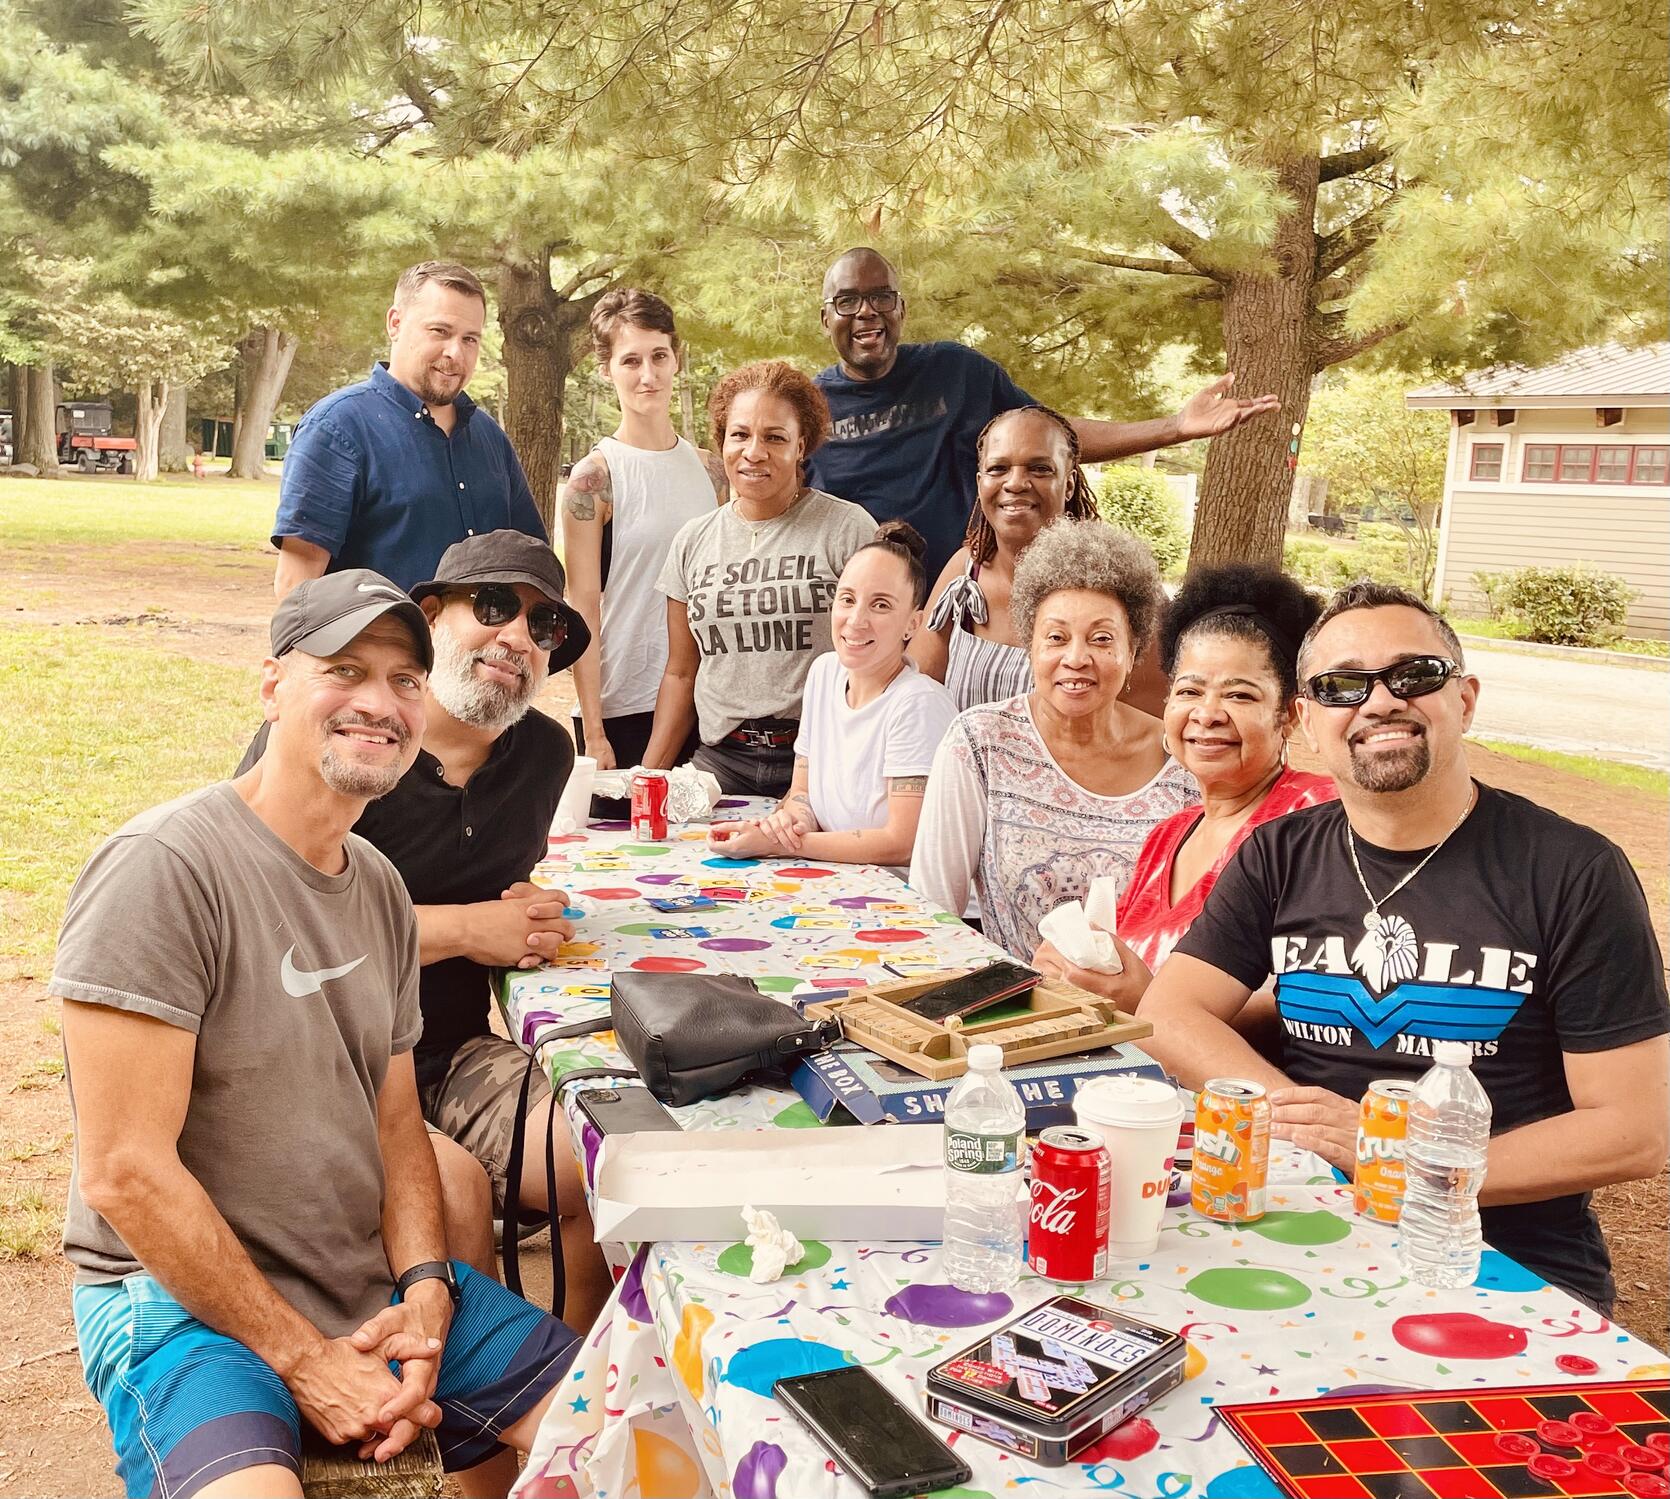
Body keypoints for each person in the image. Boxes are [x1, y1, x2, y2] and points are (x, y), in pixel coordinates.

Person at [55, 571, 579, 1499]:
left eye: (406, 681)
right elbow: (123, 1170)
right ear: (272, 687)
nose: (380, 702)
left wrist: (424, 1286)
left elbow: (394, 1128)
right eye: (345, 670)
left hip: (358, 1280)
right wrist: (305, 1359)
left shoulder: (376, 885)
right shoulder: (164, 869)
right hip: (177, 1303)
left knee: (637, 1433)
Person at [1140, 581, 1669, 1311]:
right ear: (1308, 719)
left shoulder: (1572, 870)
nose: (1379, 700)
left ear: (1465, 699)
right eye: (1342, 685)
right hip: (1302, 1225)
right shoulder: (1279, 854)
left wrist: (1395, 1154)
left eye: (1414, 675)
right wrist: (1312, 1123)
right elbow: (1170, 1014)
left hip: (1500, 1255)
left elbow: (1633, 1131)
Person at [236, 531, 606, 1326]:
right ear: (432, 615)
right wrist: (472, 929)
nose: (518, 638)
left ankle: (576, 1377)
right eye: (497, 606)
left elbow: (494, 885)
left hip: (448, 1048)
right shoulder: (351, 741)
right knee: (454, 1196)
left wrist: (526, 908)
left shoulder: (543, 755)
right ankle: (467, 1412)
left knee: (595, 1152)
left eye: (543, 628)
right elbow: (266, 912)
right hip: (325, 1060)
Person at [807, 246, 1279, 575]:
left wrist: (1174, 428)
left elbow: (1052, 436)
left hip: (958, 606)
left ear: (901, 309)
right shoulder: (806, 407)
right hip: (858, 622)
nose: (866, 312)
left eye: (881, 297)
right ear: (826, 318)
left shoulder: (957, 372)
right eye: (847, 301)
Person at [1033, 564, 1336, 1005]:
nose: (1207, 714)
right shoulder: (1167, 837)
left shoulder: (1316, 818)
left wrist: (1153, 1003)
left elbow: (1321, 995)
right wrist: (1071, 965)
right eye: (1190, 692)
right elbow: (1119, 968)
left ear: (1289, 714)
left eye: (1240, 695)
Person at [911, 520, 1197, 959]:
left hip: (1152, 1011)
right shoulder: (981, 744)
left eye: (1102, 639)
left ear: (1134, 650)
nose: (1076, 658)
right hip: (1014, 1012)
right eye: (1056, 638)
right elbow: (932, 916)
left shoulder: (1182, 757)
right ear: (1031, 646)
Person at [643, 360, 875, 797]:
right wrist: (649, 776)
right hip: (720, 760)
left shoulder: (848, 529)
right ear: (722, 441)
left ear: (801, 446)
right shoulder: (693, 541)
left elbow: (877, 661)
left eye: (775, 437)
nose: (754, 452)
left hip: (821, 756)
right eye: (740, 434)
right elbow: (680, 672)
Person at [271, 261, 547, 596]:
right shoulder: (335, 430)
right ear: (395, 323)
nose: (455, 353)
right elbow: (295, 589)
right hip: (380, 648)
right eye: (440, 331)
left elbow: (531, 569)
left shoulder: (490, 439)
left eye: (470, 339)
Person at [707, 521, 957, 875]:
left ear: (913, 624)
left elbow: (902, 843)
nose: (856, 620)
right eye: (848, 599)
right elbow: (802, 794)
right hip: (838, 881)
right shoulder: (825, 673)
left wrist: (782, 845)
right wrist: (787, 824)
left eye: (881, 605)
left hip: (904, 901)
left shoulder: (918, 704)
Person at [911, 403, 1166, 716]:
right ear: (980, 483)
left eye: (1040, 468)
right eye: (998, 469)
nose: (1016, 483)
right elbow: (917, 697)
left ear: (1069, 483)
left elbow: (1155, 727)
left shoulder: (1122, 586)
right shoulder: (964, 574)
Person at [561, 289, 724, 772]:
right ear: (605, 369)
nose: (648, 375)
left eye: (659, 356)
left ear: (677, 359)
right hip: (621, 708)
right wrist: (594, 731)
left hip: (705, 706)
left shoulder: (713, 473)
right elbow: (583, 607)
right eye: (630, 361)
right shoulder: (593, 480)